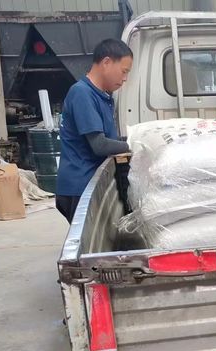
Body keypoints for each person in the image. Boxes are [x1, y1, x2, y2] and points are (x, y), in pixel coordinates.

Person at [55, 39, 133, 223]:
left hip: (91, 183)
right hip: (79, 187)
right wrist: (135, 144)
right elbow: (99, 145)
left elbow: (109, 139)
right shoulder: (82, 93)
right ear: (106, 62)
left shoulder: (102, 96)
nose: (125, 78)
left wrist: (133, 138)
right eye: (124, 71)